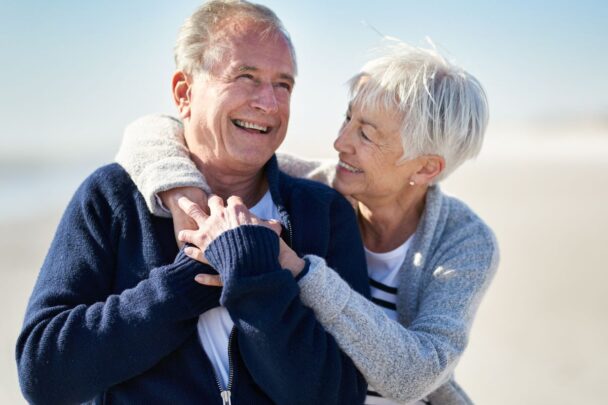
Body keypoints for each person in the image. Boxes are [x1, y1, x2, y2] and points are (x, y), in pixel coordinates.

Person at [16, 1, 369, 404]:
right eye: (246, 77)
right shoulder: (112, 196)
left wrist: (254, 280)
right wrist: (185, 284)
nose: (268, 103)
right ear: (185, 93)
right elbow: (43, 375)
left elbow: (340, 397)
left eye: (283, 85)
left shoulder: (324, 212)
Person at [116, 42, 499, 404]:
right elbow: (149, 133)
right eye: (348, 118)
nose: (339, 142)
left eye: (365, 134)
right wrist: (183, 193)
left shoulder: (464, 242)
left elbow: (415, 374)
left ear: (426, 167)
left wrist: (300, 270)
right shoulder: (316, 188)